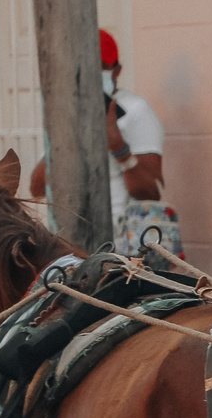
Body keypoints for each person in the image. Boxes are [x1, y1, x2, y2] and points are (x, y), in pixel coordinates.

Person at [28, 29, 176, 257]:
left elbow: (150, 192)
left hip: (123, 247)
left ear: (117, 69)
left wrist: (119, 147)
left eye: (100, 66)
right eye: (83, 65)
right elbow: (37, 188)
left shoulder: (135, 111)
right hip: (69, 242)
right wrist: (69, 135)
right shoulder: (68, 113)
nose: (91, 73)